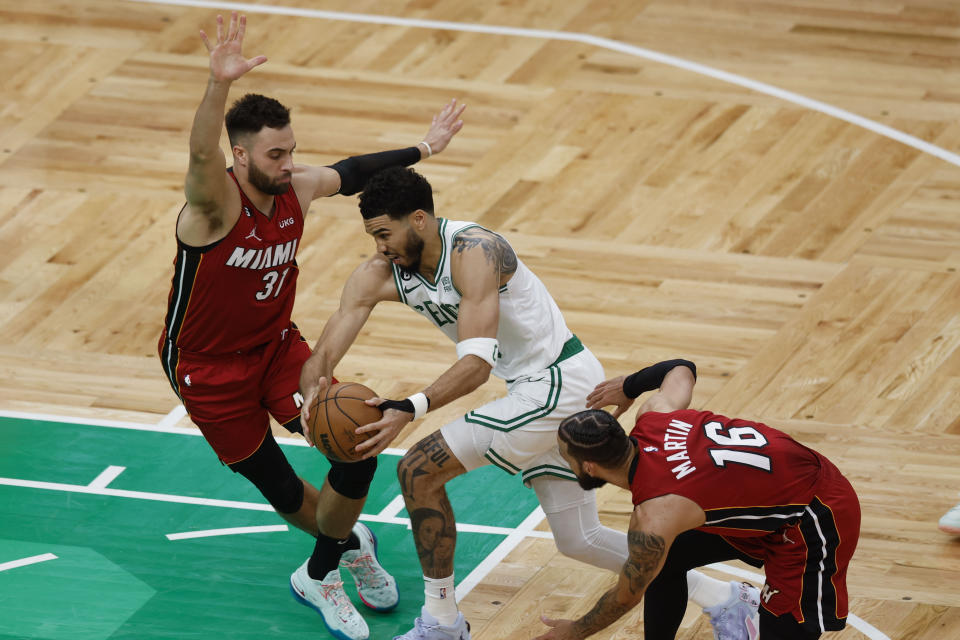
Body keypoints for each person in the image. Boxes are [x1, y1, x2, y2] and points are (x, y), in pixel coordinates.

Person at [298, 167, 756, 640]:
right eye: (372, 236)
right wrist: (312, 393)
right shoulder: (379, 273)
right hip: (532, 390)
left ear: (419, 219)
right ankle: (727, 598)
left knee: (417, 468)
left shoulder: (476, 252)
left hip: (559, 383)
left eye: (384, 233)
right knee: (580, 540)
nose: (379, 247)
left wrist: (409, 407)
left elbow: (476, 364)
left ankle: (442, 623)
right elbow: (326, 350)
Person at [156, 13, 464, 640]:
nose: (289, 162)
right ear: (238, 156)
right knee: (291, 494)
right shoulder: (214, 206)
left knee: (354, 440)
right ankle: (348, 545)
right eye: (275, 153)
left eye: (291, 149)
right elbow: (197, 152)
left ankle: (318, 574)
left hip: (276, 349)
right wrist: (217, 85)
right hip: (206, 369)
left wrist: (426, 148)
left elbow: (353, 171)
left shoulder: (296, 186)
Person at [535, 359, 861, 640]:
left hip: (813, 517)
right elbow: (681, 368)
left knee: (784, 631)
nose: (565, 461)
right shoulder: (654, 415)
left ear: (589, 466)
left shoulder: (656, 515)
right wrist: (631, 386)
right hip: (771, 493)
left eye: (567, 457)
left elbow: (625, 596)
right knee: (670, 558)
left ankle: (750, 612)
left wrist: (575, 631)